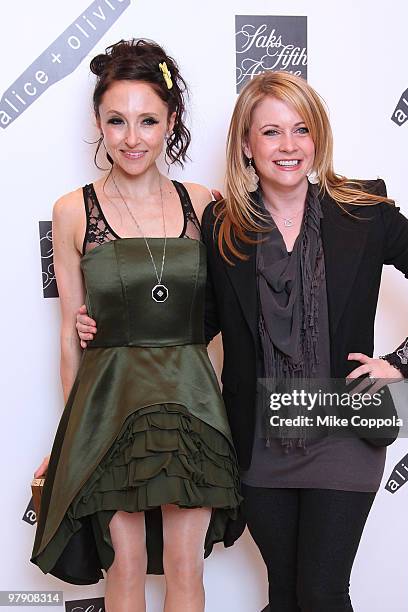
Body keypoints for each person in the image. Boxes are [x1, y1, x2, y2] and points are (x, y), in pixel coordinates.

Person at [78, 71, 408, 611]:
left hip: (343, 427)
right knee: (284, 595)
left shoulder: (364, 211)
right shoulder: (224, 223)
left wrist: (401, 361)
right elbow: (199, 320)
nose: (288, 147)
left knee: (321, 592)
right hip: (258, 438)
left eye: (301, 130)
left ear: (318, 138)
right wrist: (115, 323)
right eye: (270, 132)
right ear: (246, 143)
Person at [31, 39, 242, 612]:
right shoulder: (72, 210)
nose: (132, 137)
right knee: (122, 572)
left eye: (148, 121)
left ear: (170, 121)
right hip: (109, 410)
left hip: (192, 407)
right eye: (116, 121)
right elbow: (69, 338)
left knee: (184, 570)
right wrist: (68, 437)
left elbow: (238, 307)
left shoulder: (203, 202)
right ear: (98, 122)